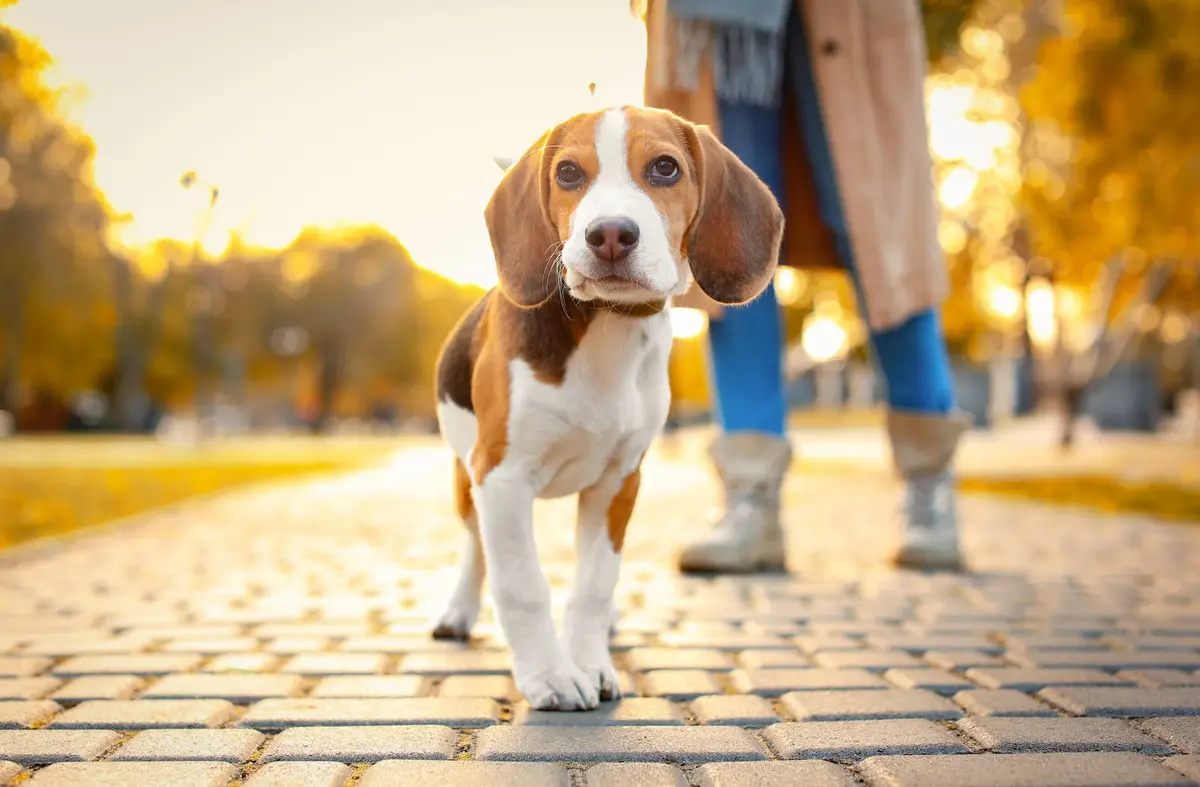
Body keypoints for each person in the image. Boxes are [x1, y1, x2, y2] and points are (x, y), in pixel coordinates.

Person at [640, 0, 969, 572]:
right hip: (714, 18)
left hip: (857, 15)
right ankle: (751, 498)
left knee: (882, 237)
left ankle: (929, 484)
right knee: (724, 235)